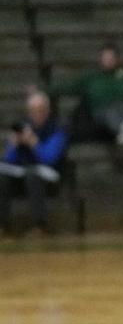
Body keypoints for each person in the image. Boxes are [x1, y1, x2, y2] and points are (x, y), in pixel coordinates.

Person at [53, 42, 123, 158]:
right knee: (112, 113)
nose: (108, 61)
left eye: (111, 58)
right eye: (106, 58)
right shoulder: (91, 78)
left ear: (117, 59)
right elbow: (68, 87)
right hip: (103, 111)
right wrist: (44, 91)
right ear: (100, 59)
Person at [0, 90, 67, 235]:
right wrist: (14, 144)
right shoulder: (22, 128)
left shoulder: (56, 130)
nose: (36, 114)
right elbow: (8, 159)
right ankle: (3, 225)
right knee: (2, 176)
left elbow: (49, 158)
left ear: (47, 111)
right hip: (21, 174)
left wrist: (34, 144)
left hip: (48, 176)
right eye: (32, 111)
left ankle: (40, 225)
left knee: (33, 176)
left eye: (40, 110)